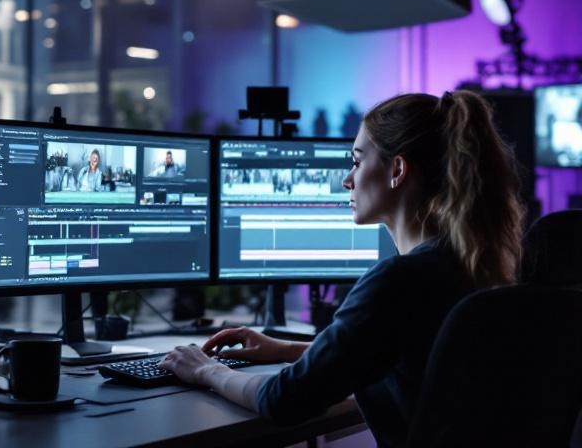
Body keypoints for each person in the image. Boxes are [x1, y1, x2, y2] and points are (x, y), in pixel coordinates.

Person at [160, 91, 524, 448]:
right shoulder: (464, 266)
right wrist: (287, 349)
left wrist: (206, 370)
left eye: (357, 162)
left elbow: (283, 399)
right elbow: (386, 352)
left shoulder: (399, 280)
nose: (346, 180)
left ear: (397, 170)